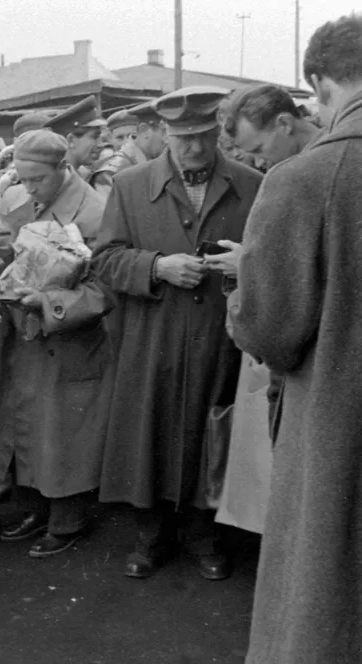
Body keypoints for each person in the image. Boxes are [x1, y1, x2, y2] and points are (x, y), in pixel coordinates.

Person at [229, 16, 362, 662]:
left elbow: (269, 330)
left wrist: (241, 291)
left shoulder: (306, 178)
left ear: (322, 86)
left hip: (339, 430)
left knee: (324, 597)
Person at [93, 86, 262, 581]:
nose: (194, 147)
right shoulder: (129, 184)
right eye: (183, 137)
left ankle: (206, 534)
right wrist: (156, 266)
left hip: (220, 334)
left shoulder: (253, 185)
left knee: (213, 430)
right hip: (153, 336)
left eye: (205, 136)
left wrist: (241, 267)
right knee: (153, 431)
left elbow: (267, 257)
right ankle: (151, 535)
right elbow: (103, 259)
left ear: (219, 133)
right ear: (164, 134)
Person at [0, 130, 113, 557]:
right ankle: (34, 507)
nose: (29, 188)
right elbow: (2, 246)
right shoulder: (20, 199)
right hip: (22, 334)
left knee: (65, 430)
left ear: (63, 167)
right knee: (25, 423)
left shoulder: (96, 212)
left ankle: (69, 517)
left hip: (68, 339)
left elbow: (106, 290)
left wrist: (50, 302)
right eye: (22, 178)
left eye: (38, 179)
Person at [210, 83, 321, 535]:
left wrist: (247, 269)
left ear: (284, 122)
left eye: (257, 149)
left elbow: (274, 318)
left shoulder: (295, 176)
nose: (255, 162)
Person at [43, 95, 111, 180]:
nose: (100, 144)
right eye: (94, 137)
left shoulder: (82, 175)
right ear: (71, 141)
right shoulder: (57, 182)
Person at [88, 109, 141, 196]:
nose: (127, 142)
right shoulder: (107, 174)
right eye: (120, 137)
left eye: (133, 136)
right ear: (110, 139)